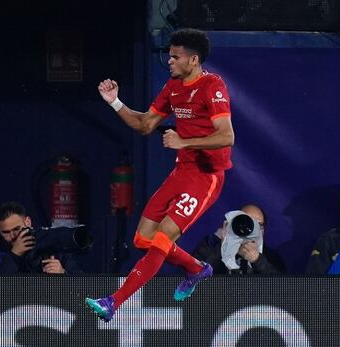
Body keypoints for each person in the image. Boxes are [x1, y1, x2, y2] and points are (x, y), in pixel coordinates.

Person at [87, 28, 235, 322]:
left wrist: (184, 141)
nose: (169, 61)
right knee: (143, 238)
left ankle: (113, 301)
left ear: (193, 60)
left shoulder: (212, 86)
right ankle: (195, 268)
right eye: (169, 56)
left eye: (175, 57)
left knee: (162, 239)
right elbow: (144, 125)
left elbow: (226, 136)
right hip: (182, 172)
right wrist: (115, 102)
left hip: (206, 177)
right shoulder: (173, 87)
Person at [0, 201, 81, 274]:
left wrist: (63, 273)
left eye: (16, 229)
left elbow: (84, 292)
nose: (13, 236)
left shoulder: (52, 247)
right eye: (6, 232)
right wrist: (15, 254)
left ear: (27, 222)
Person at [192, 204, 286, 275]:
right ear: (235, 223)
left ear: (263, 230)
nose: (253, 230)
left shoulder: (271, 258)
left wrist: (257, 260)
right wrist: (223, 246)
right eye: (248, 223)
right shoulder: (210, 245)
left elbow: (282, 290)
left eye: (259, 225)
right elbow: (192, 276)